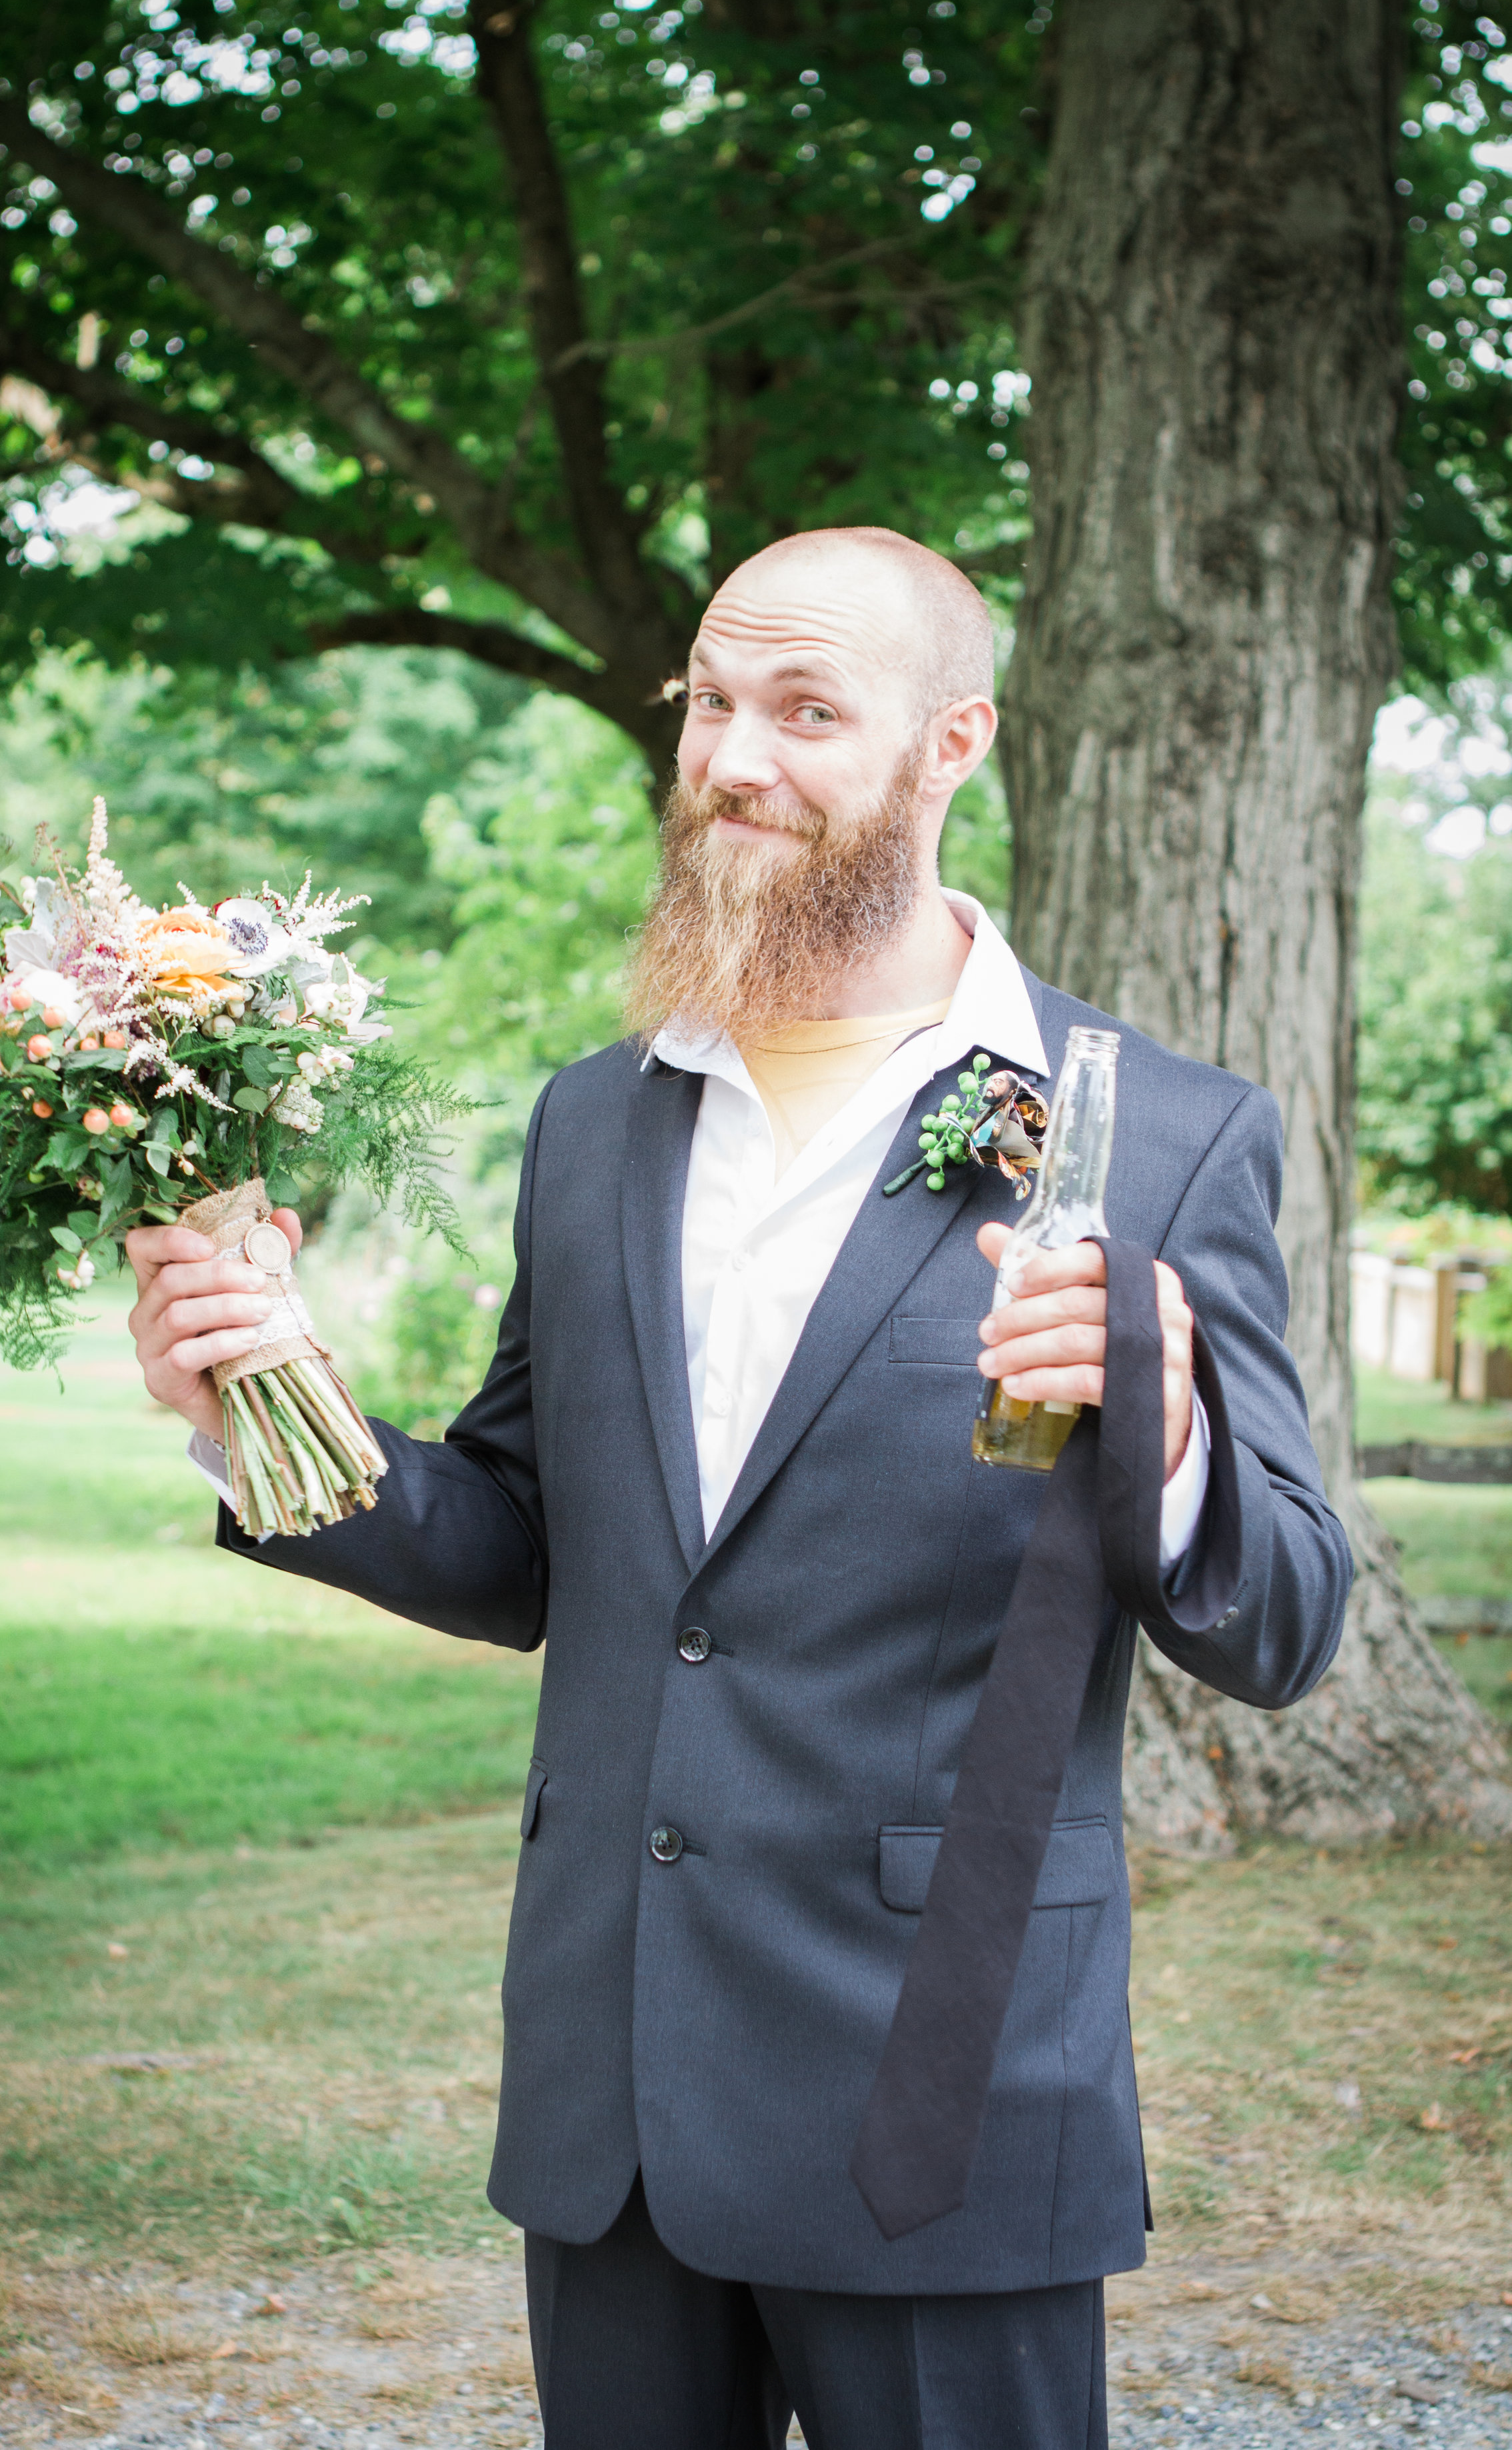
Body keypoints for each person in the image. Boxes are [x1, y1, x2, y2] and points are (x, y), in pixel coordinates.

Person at [127, 527, 1350, 2449]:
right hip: (611, 2088)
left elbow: (1286, 1622)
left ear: (951, 746)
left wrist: (1171, 1426)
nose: (733, 757)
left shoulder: (1165, 1134)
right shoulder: (596, 1118)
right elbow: (528, 1549)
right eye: (708, 701)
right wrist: (262, 1406)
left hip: (938, 2090)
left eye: (805, 710)